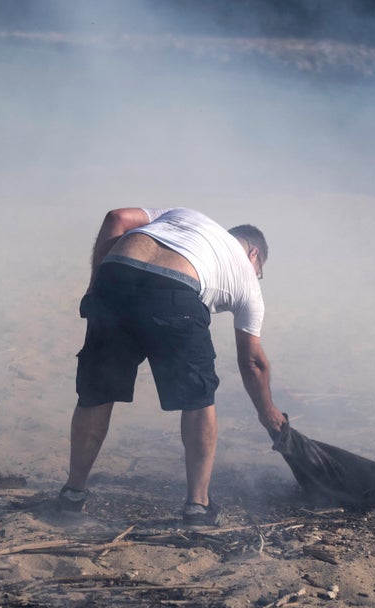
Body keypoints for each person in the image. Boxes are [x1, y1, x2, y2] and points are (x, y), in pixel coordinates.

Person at [54, 207, 285, 526]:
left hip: (115, 276)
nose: (256, 276)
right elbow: (252, 361)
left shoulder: (185, 215)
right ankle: (198, 506)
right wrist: (268, 412)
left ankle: (72, 494)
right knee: (198, 398)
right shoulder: (246, 277)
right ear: (254, 254)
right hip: (175, 291)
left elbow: (117, 218)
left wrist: (96, 287)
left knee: (98, 391)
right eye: (259, 270)